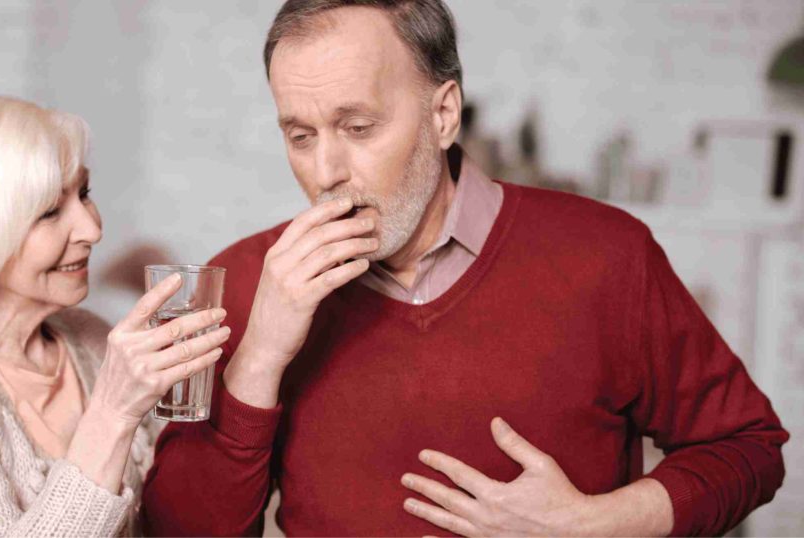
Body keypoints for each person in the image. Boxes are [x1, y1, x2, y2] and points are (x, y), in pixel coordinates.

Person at [142, 1, 789, 536]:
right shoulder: (249, 279)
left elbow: (748, 450)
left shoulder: (606, 255)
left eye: (359, 127)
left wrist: (600, 523)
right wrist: (259, 357)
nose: (325, 173)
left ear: (443, 113)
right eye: (300, 135)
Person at [0, 94, 231, 536]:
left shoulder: (92, 338)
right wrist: (112, 413)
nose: (93, 230)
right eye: (51, 211)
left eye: (85, 193)